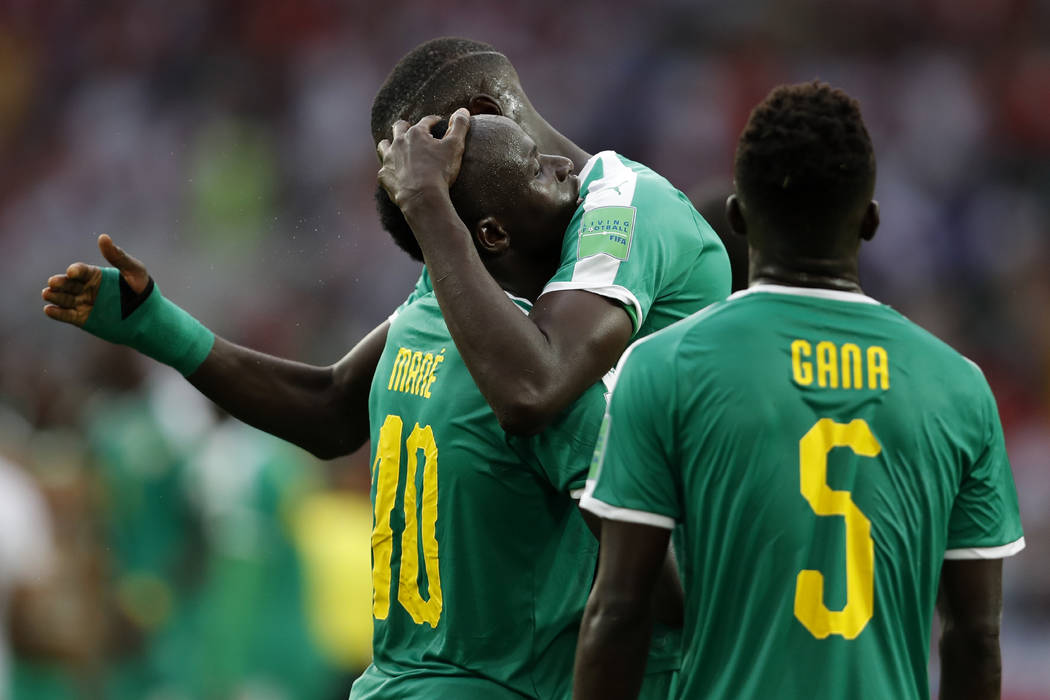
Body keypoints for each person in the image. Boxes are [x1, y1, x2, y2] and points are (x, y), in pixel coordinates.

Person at [573, 81, 1025, 700]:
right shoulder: (959, 386)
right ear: (870, 219)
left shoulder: (662, 367)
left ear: (736, 215)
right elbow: (974, 637)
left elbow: (619, 612)